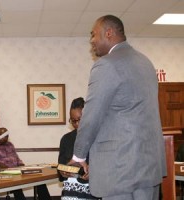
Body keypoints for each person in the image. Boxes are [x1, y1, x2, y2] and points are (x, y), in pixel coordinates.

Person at [70, 15, 167, 200]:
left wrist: (78, 156)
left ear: (109, 33)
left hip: (120, 170)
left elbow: (91, 116)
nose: (91, 41)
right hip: (148, 167)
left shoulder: (106, 65)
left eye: (94, 34)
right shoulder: (145, 62)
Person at [0, 127, 51, 200]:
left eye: (6, 136)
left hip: (16, 170)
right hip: (2, 172)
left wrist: (21, 163)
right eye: (2, 136)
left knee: (39, 178)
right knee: (16, 185)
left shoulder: (10, 145)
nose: (4, 138)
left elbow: (16, 157)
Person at [58, 97, 99, 200]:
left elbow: (106, 165)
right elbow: (61, 166)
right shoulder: (66, 139)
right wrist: (62, 172)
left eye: (79, 120)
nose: (76, 124)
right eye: (73, 121)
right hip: (70, 193)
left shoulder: (98, 137)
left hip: (93, 192)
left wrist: (94, 173)